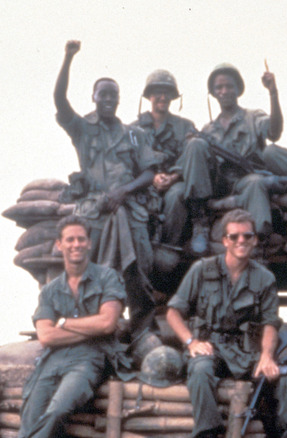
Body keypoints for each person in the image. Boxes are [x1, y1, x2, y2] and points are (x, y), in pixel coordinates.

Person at [166, 209, 287, 438]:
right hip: (211, 347)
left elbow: (270, 322)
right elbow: (173, 312)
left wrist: (266, 355)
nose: (241, 240)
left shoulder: (265, 278)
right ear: (225, 241)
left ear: (254, 240)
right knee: (200, 370)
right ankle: (208, 432)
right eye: (234, 236)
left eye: (247, 236)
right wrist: (191, 342)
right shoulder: (202, 270)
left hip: (248, 353)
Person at [54, 40, 160, 335]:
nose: (109, 99)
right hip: (94, 209)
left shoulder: (134, 134)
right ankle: (88, 325)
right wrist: (68, 58)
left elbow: (150, 172)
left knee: (138, 266)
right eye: (104, 94)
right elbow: (60, 100)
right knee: (89, 267)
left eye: (114, 94)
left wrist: (124, 191)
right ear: (94, 97)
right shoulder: (82, 128)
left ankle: (142, 329)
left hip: (129, 207)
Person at [170, 62, 287, 256]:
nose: (224, 91)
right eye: (219, 87)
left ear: (238, 89)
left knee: (256, 182)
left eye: (229, 86)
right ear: (214, 93)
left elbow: (274, 132)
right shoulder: (208, 130)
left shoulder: (252, 117)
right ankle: (200, 222)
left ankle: (258, 243)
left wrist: (273, 93)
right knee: (195, 145)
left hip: (245, 178)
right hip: (217, 184)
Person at [19, 215, 126, 438]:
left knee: (58, 410)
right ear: (59, 245)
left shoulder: (108, 278)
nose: (75, 244)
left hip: (90, 358)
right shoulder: (50, 290)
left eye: (80, 239)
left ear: (89, 243)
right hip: (53, 359)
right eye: (69, 240)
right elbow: (46, 336)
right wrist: (89, 328)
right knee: (30, 414)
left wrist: (65, 323)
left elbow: (107, 323)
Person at [131, 69, 197, 247]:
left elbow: (192, 157)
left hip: (176, 181)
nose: (162, 97)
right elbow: (128, 161)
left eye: (167, 92)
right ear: (149, 96)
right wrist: (152, 178)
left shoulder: (185, 126)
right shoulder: (132, 129)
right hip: (143, 183)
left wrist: (173, 176)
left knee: (177, 196)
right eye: (157, 92)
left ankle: (168, 249)